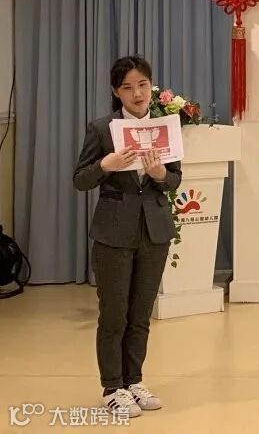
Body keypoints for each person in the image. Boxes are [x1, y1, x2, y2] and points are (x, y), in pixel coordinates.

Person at [73, 56, 182, 419]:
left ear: (151, 86)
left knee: (140, 314)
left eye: (143, 85)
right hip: (113, 232)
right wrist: (106, 165)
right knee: (114, 314)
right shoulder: (102, 129)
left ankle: (134, 380)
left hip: (154, 231)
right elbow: (80, 179)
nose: (137, 93)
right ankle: (112, 387)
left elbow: (175, 179)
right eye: (128, 87)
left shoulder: (166, 126)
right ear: (115, 91)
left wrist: (160, 174)